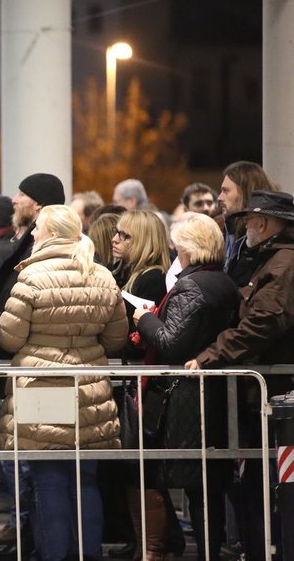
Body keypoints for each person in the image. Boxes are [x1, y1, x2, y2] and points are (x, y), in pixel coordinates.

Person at [0, 205, 128, 561]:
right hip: (90, 384)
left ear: (52, 233)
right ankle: (90, 555)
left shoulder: (32, 276)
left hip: (42, 386)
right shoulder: (101, 274)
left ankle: (53, 555)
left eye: (37, 228)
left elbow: (9, 338)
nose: (33, 234)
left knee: (48, 481)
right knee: (85, 481)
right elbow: (117, 339)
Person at [184, 190, 294, 561]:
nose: (246, 229)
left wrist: (210, 356)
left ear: (261, 223)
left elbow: (262, 323)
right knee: (259, 484)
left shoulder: (282, 265)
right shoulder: (275, 262)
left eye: (249, 221)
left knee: (266, 486)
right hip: (270, 391)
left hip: (277, 393)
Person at [129, 213, 239, 561]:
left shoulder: (191, 285)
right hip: (210, 396)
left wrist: (144, 318)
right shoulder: (222, 280)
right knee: (207, 486)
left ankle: (183, 551)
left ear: (188, 249)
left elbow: (171, 342)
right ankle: (209, 550)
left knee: (195, 484)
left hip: (187, 400)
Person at [0, 173, 66, 317]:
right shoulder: (30, 242)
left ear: (39, 205)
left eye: (22, 195)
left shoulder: (45, 246)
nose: (14, 200)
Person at [216, 161, 281, 286]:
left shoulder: (262, 239)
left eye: (226, 191)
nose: (219, 197)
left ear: (245, 192)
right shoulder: (222, 230)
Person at [111, 210, 171, 328]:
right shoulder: (125, 270)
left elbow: (140, 332)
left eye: (125, 236)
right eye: (117, 232)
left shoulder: (153, 279)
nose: (115, 239)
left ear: (145, 241)